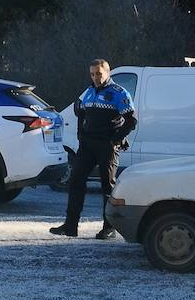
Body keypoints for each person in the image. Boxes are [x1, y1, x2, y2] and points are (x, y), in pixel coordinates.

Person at [50, 59, 137, 239]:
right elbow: (81, 114)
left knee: (107, 186)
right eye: (92, 74)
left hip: (107, 145)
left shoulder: (119, 93)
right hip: (87, 145)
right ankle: (70, 226)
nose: (95, 77)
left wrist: (115, 140)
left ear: (108, 73)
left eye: (98, 73)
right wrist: (81, 137)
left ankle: (109, 228)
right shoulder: (88, 92)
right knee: (75, 181)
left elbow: (131, 121)